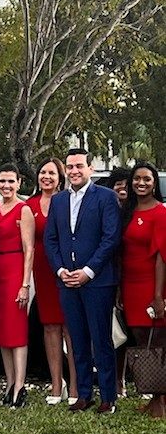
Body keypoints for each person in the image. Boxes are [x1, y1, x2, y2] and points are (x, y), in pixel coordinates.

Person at [44, 148, 122, 414]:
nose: (74, 171)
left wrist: (89, 270)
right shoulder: (58, 201)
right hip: (67, 281)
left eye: (79, 166)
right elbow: (51, 240)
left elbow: (111, 238)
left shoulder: (106, 198)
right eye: (70, 166)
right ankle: (84, 394)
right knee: (77, 340)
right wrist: (60, 270)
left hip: (97, 281)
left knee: (101, 339)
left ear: (90, 168)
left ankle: (108, 397)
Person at [25, 159, 78, 405]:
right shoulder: (29, 205)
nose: (47, 177)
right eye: (43, 172)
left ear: (60, 177)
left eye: (52, 173)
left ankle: (77, 385)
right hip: (41, 272)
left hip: (66, 269)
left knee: (71, 327)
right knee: (50, 327)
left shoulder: (68, 201)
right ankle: (57, 385)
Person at [120, 161, 166, 418]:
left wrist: (158, 296)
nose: (141, 183)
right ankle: (153, 396)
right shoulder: (128, 211)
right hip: (130, 284)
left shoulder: (160, 212)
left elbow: (161, 255)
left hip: (152, 284)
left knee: (158, 341)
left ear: (154, 183)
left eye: (147, 179)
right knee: (140, 339)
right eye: (137, 179)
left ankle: (161, 400)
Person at [0, 164, 35, 408]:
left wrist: (24, 284)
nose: (6, 186)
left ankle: (20, 385)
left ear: (19, 183)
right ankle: (8, 383)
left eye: (11, 181)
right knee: (2, 331)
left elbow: (29, 249)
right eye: (2, 181)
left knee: (17, 331)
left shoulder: (23, 209)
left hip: (16, 268)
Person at [98, 167, 134, 397]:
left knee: (134, 332)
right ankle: (117, 380)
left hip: (135, 277)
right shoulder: (106, 210)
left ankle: (143, 377)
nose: (121, 187)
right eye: (116, 184)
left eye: (125, 183)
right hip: (110, 276)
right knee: (115, 332)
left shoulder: (136, 211)